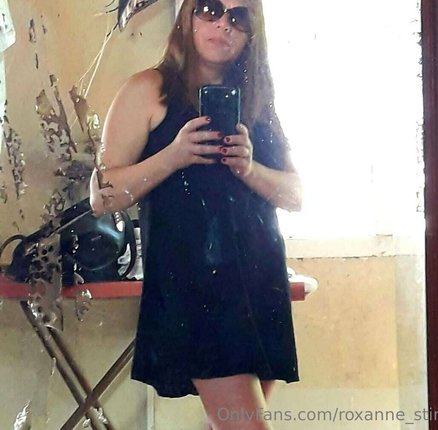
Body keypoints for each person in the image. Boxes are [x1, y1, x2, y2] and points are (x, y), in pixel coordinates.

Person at [90, 0, 303, 429]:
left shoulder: (256, 101)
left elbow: (296, 196)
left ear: (252, 32)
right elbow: (102, 197)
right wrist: (174, 156)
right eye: (210, 8)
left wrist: (249, 169)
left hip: (259, 284)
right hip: (198, 291)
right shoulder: (149, 89)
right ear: (187, 15)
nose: (223, 23)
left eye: (238, 17)